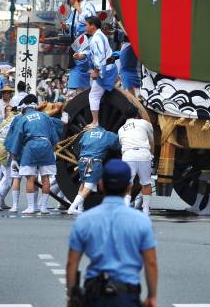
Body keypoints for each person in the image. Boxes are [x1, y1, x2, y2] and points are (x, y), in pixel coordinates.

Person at [66, 159, 158, 307]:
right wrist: (152, 296)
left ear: (101, 184)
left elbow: (72, 263)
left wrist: (72, 296)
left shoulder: (84, 220)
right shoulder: (142, 221)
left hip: (94, 293)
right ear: (129, 187)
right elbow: (151, 263)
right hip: (127, 294)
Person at [4, 94, 61, 215]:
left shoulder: (23, 118)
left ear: (24, 108)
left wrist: (14, 156)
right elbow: (54, 136)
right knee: (46, 178)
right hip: (46, 146)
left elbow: (17, 138)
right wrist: (53, 148)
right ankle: (44, 207)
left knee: (31, 178)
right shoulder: (45, 116)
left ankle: (31, 207)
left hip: (31, 147)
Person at [68, 125, 121, 215]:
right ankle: (72, 208)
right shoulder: (107, 134)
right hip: (93, 162)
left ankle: (80, 208)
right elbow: (117, 146)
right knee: (88, 187)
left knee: (83, 184)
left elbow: (80, 144)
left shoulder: (87, 133)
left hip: (82, 162)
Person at [77, 17, 117, 128]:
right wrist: (80, 55)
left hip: (105, 70)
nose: (85, 27)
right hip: (108, 68)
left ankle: (95, 122)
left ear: (92, 26)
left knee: (93, 95)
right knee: (95, 93)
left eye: (86, 25)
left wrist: (96, 71)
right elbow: (89, 51)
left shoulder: (97, 38)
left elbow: (100, 56)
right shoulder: (96, 37)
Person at [118, 116, 155, 215]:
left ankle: (125, 208)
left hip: (128, 155)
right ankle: (145, 210)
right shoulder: (144, 123)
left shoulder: (121, 129)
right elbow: (151, 139)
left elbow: (122, 143)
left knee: (128, 183)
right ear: (137, 116)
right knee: (146, 183)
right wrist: (152, 153)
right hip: (143, 153)